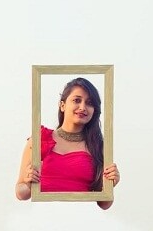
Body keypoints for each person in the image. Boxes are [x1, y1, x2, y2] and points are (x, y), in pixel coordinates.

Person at [15, 77, 120, 209]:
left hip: (81, 220)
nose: (83, 107)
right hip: (43, 220)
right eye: (77, 100)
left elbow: (104, 205)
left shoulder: (98, 146)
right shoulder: (39, 138)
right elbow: (20, 193)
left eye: (89, 103)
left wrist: (110, 184)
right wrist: (28, 182)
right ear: (62, 105)